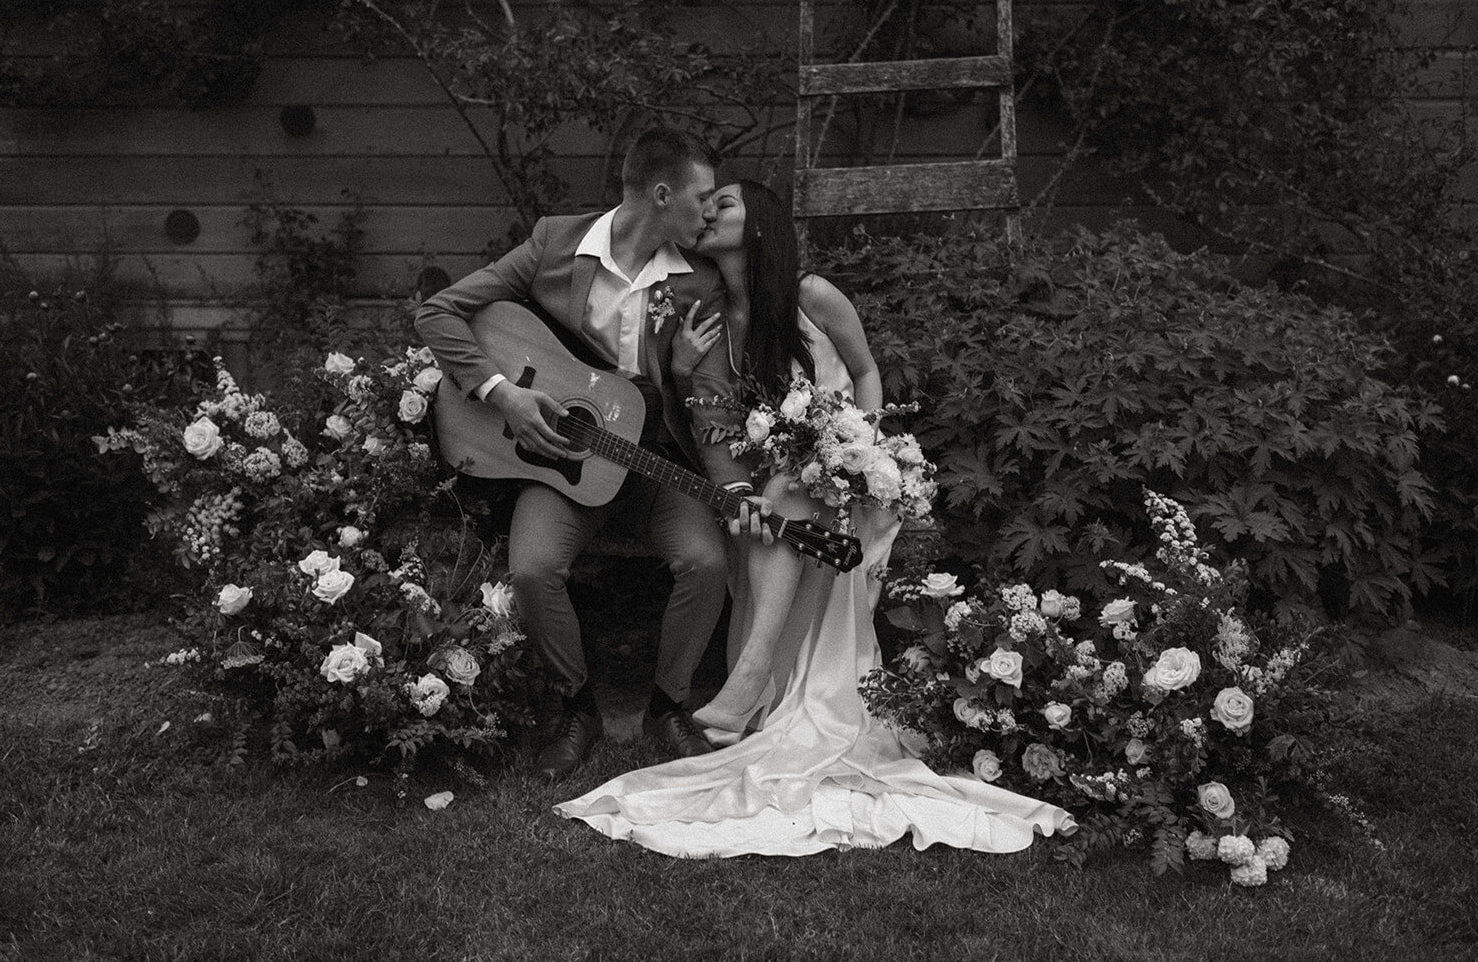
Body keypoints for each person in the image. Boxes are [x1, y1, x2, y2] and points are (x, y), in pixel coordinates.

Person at [555, 180, 1075, 856]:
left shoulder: (812, 293)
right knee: (785, 490)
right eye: (706, 205)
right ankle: (755, 679)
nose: (708, 212)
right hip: (786, 492)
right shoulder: (712, 317)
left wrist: (863, 443)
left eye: (726, 205)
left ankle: (749, 676)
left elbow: (864, 371)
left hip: (853, 480)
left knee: (795, 487)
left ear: (763, 225)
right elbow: (707, 429)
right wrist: (681, 372)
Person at [415, 129, 769, 782]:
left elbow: (716, 404)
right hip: (558, 458)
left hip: (651, 462)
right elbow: (440, 313)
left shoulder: (699, 283)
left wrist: (732, 482)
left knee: (706, 559)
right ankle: (576, 708)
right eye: (699, 198)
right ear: (662, 196)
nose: (709, 213)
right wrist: (505, 396)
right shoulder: (555, 243)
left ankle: (669, 705)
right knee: (534, 569)